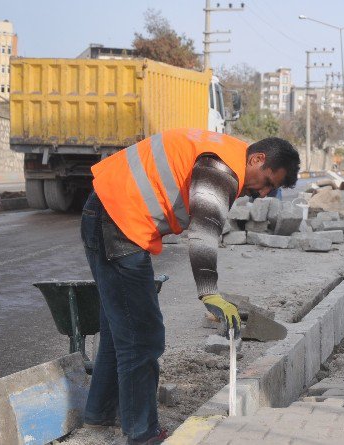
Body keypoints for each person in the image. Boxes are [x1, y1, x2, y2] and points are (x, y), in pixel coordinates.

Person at [80, 128, 299, 444]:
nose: (263, 193)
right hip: (117, 222)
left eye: (271, 190)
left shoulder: (231, 152)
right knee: (143, 336)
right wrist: (209, 292)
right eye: (268, 182)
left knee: (121, 330)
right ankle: (142, 434)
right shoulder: (222, 169)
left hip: (108, 211)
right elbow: (203, 232)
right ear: (259, 158)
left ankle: (99, 415)